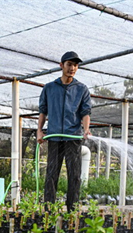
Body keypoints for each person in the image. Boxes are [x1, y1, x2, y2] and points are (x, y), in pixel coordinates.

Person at [37, 51, 92, 211]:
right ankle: (48, 210)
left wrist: (86, 130)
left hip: (72, 137)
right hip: (54, 137)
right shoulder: (49, 88)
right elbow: (43, 111)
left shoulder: (82, 89)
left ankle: (72, 210)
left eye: (75, 65)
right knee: (51, 175)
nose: (72, 68)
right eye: (69, 64)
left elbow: (85, 112)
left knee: (74, 175)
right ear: (61, 65)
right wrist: (40, 131)